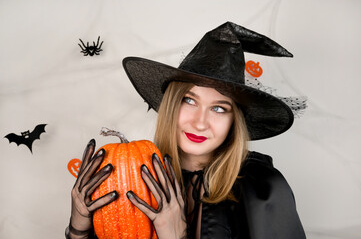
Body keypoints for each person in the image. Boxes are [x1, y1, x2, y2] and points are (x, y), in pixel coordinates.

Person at [66, 21, 307, 239]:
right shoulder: (138, 177)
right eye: (189, 101)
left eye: (219, 109)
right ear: (172, 103)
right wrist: (79, 230)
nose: (200, 122)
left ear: (235, 121)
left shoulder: (263, 188)